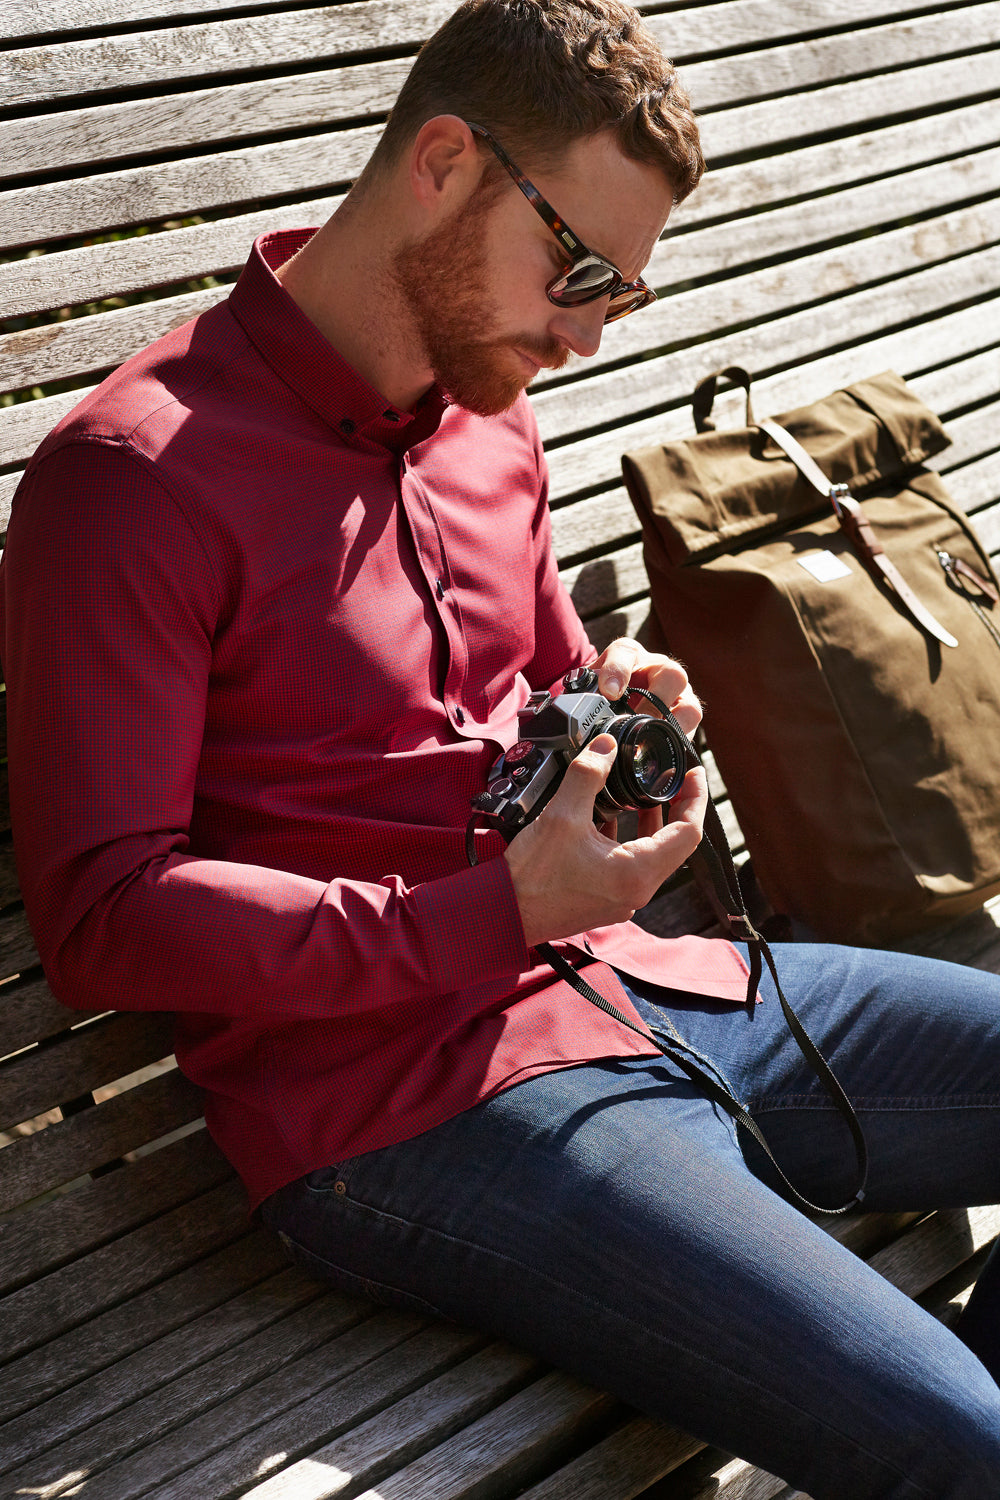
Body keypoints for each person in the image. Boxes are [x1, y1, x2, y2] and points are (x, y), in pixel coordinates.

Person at [3, 1, 1000, 1493]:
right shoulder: (133, 479)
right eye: (580, 270)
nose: (587, 332)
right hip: (411, 1110)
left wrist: (620, 692)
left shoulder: (490, 416)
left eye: (623, 297)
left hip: (648, 987)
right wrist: (492, 912)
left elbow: (540, 676)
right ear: (445, 163)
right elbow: (103, 917)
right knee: (964, 1441)